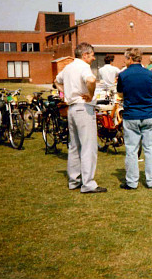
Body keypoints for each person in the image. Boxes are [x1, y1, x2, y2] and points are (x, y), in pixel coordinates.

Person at [54, 43, 107, 193]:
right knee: (88, 146)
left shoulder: (69, 67)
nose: (93, 58)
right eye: (91, 55)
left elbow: (56, 81)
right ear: (85, 55)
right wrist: (90, 95)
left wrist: (65, 93)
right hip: (83, 108)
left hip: (72, 108)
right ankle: (88, 183)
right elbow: (90, 80)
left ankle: (74, 181)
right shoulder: (84, 67)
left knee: (74, 146)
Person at [117, 48, 152, 189]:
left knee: (131, 149)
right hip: (148, 114)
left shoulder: (123, 75)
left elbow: (121, 94)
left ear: (130, 58)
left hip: (131, 116)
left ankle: (132, 182)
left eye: (125, 58)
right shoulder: (149, 74)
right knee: (150, 149)